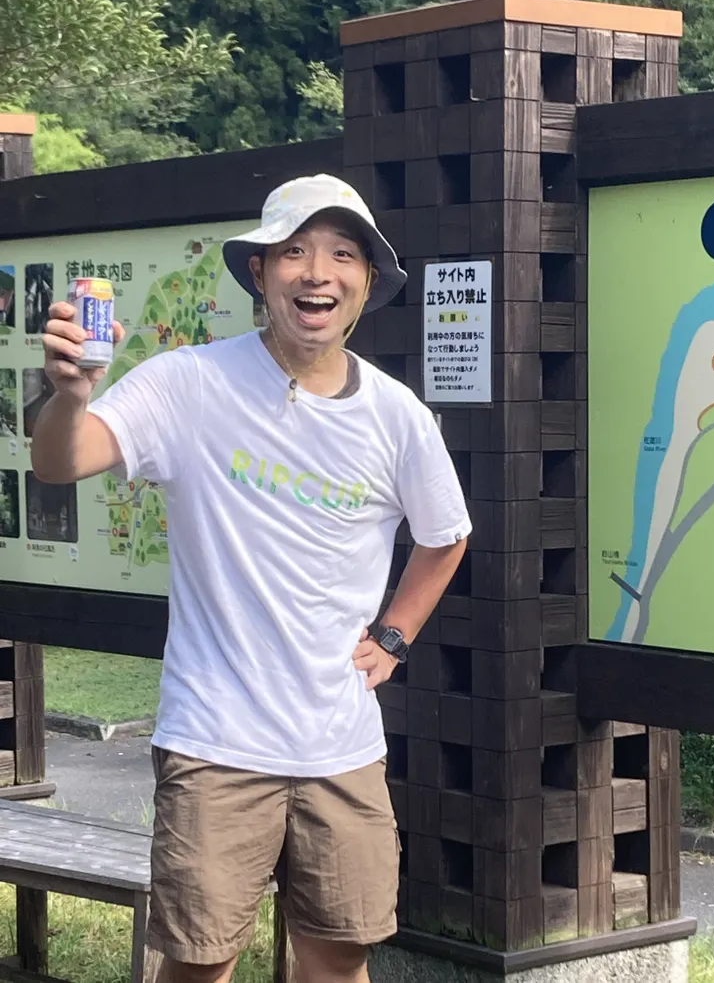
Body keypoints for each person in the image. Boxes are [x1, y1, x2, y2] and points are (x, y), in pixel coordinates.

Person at [33, 174, 472, 983]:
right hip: (215, 741)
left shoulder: (397, 415)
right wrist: (68, 395)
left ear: (367, 281)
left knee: (338, 959)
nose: (318, 273)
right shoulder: (188, 383)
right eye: (295, 251)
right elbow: (62, 461)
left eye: (343, 254)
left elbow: (446, 536)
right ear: (261, 273)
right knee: (199, 962)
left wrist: (394, 634)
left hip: (342, 745)